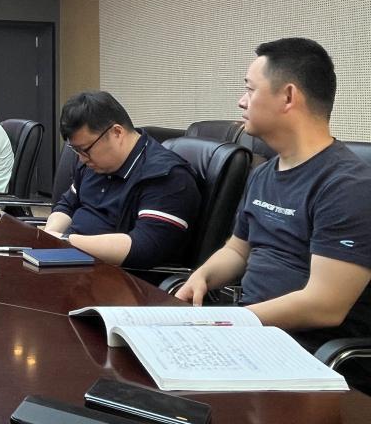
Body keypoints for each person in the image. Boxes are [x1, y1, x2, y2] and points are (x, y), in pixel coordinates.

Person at [176, 39, 371, 360]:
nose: (241, 101)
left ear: (288, 97)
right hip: (252, 333)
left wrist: (230, 322)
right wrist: (202, 276)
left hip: (308, 354)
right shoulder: (264, 173)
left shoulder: (347, 186)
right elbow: (237, 250)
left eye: (250, 90)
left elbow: (325, 306)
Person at [43, 91, 201, 268]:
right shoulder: (94, 164)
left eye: (85, 149)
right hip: (72, 261)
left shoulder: (167, 177)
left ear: (117, 132)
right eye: (76, 150)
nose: (81, 159)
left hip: (118, 275)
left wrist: (66, 240)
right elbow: (67, 204)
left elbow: (144, 248)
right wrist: (49, 236)